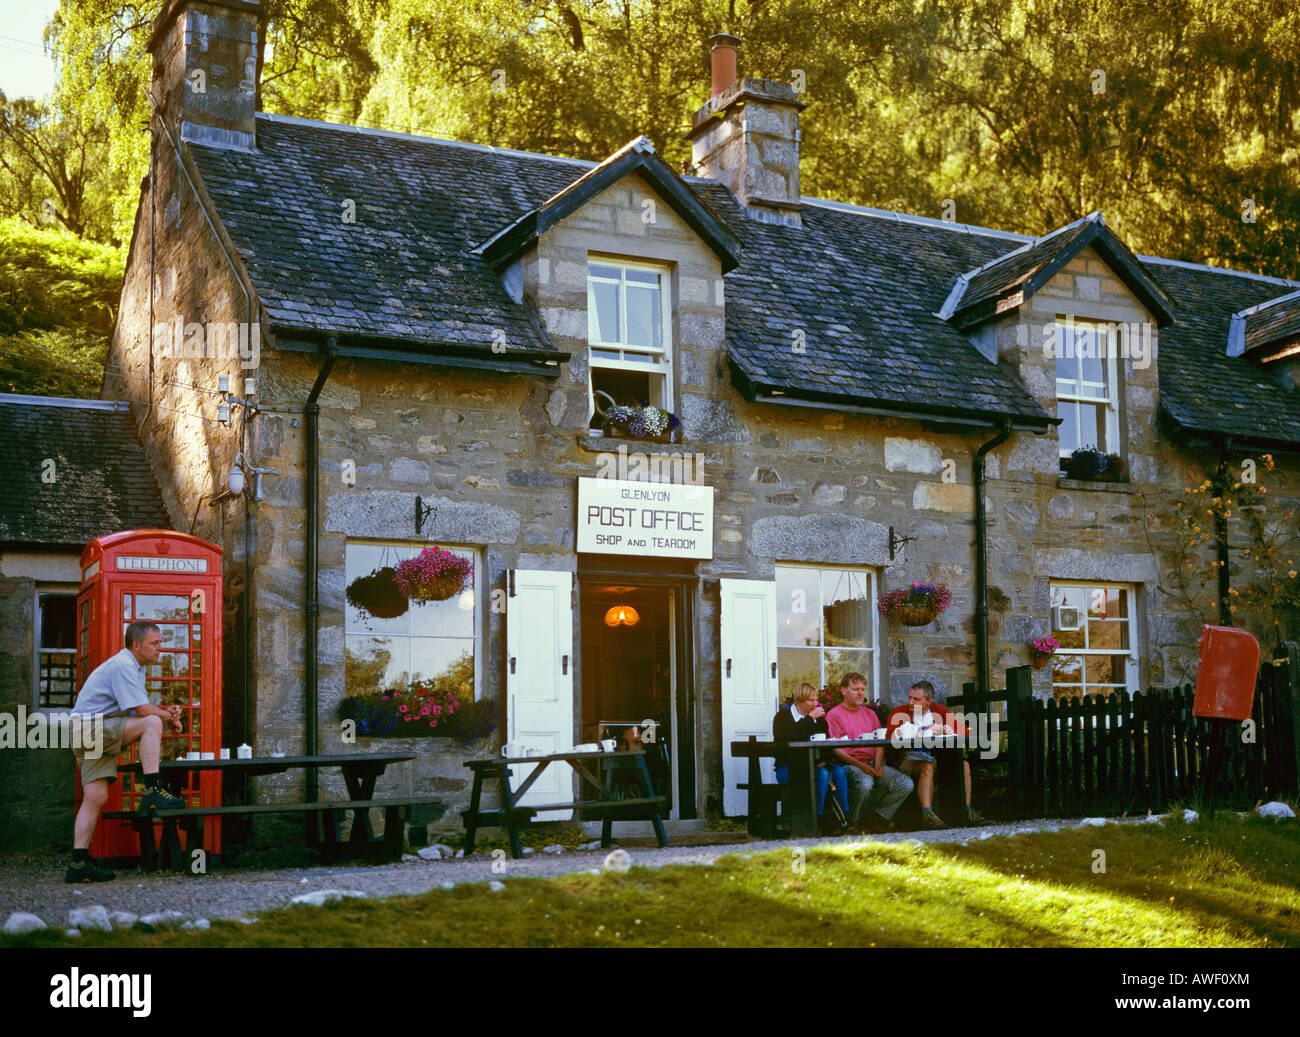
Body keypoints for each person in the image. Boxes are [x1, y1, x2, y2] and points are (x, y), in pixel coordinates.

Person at [66, 621, 187, 883]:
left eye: (160, 642)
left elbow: (135, 707)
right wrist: (166, 716)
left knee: (95, 797)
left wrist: (166, 711)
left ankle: (78, 863)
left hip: (87, 730)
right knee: (152, 723)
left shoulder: (134, 667)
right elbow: (144, 713)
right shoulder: (123, 665)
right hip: (92, 729)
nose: (160, 648)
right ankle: (153, 789)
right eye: (154, 643)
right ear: (136, 645)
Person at [886, 680, 988, 829]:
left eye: (916, 699)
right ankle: (928, 815)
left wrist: (949, 730)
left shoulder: (939, 711)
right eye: (910, 698)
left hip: (933, 758)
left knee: (964, 765)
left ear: (929, 701)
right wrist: (906, 732)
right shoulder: (899, 713)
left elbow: (964, 733)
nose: (911, 702)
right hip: (907, 760)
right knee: (927, 767)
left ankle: (966, 811)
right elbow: (889, 738)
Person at [825, 672, 913, 833]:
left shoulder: (870, 714)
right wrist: (862, 766)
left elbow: (879, 742)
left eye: (863, 689)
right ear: (844, 691)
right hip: (848, 765)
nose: (860, 693)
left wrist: (878, 765)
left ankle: (876, 818)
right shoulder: (834, 715)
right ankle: (852, 822)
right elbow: (836, 750)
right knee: (865, 783)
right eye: (855, 689)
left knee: (905, 784)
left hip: (873, 763)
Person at [772, 682, 849, 834]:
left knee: (839, 771)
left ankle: (843, 817)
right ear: (799, 700)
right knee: (821, 774)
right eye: (811, 700)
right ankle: (816, 819)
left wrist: (823, 761)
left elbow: (826, 744)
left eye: (816, 700)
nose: (815, 704)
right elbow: (788, 740)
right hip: (788, 768)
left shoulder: (819, 719)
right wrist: (808, 719)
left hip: (816, 764)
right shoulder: (783, 718)